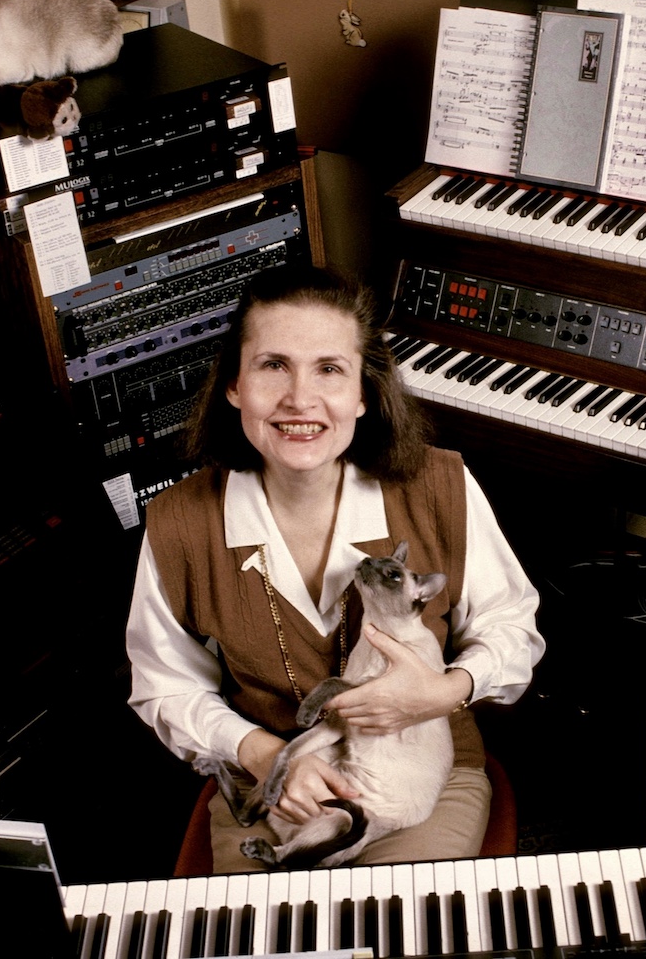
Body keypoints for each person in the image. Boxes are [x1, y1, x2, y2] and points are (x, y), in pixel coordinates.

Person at [125, 264, 544, 873]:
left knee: (396, 938)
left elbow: (511, 626)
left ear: (364, 393)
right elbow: (165, 684)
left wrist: (446, 690)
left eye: (329, 369)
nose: (301, 399)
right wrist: (268, 756)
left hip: (418, 787)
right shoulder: (179, 521)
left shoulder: (439, 485)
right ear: (235, 385)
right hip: (275, 781)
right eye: (273, 366)